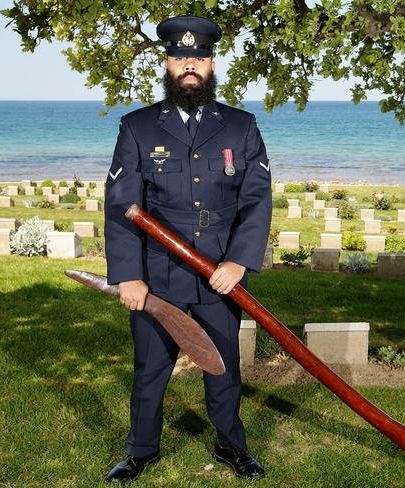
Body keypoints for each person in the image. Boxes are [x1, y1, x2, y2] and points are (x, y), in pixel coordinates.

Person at [102, 14, 272, 484]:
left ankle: (231, 446)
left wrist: (239, 260)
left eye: (198, 57)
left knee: (223, 367)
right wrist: (129, 275)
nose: (189, 65)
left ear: (212, 64)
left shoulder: (241, 127)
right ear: (168, 63)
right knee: (150, 367)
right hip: (157, 274)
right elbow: (120, 205)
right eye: (180, 57)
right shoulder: (137, 128)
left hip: (219, 271)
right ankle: (140, 451)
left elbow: (256, 199)